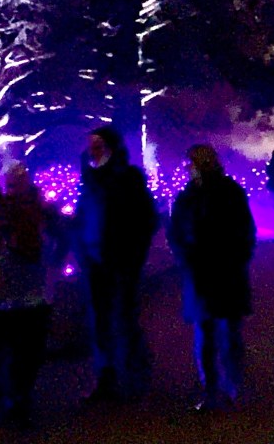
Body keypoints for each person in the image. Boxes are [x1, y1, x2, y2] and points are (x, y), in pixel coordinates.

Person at [167, 144, 256, 412]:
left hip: (218, 271)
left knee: (220, 333)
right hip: (208, 272)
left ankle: (224, 388)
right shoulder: (194, 195)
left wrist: (235, 257)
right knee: (214, 333)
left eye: (192, 164)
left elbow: (244, 231)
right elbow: (176, 232)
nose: (189, 169)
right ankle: (218, 388)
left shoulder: (218, 193)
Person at [76, 124, 160, 403]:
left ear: (111, 147)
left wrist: (133, 255)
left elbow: (146, 218)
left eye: (99, 145)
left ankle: (135, 376)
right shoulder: (90, 179)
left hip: (121, 260)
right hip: (95, 260)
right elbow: (83, 217)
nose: (93, 150)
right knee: (100, 321)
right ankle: (107, 378)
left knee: (125, 317)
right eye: (91, 146)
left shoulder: (128, 177)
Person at [0, 161, 62, 426]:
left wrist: (52, 267)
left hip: (30, 294)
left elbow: (57, 242)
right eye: (10, 182)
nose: (13, 188)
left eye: (18, 181)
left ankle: (17, 399)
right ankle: (4, 398)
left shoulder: (41, 212)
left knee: (26, 351)